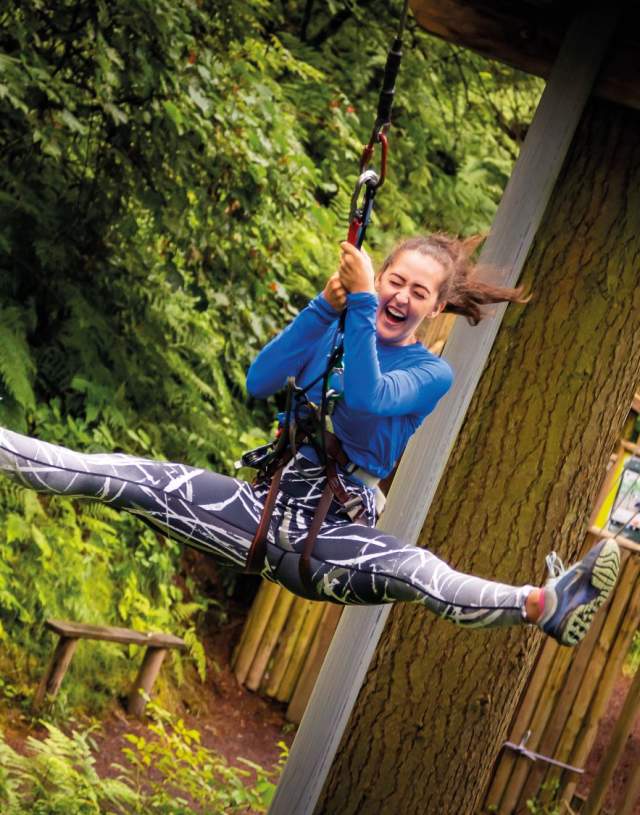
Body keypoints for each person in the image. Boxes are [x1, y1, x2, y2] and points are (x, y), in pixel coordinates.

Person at [0, 235, 619, 647]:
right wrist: (324, 308)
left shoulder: (430, 371)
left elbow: (366, 400)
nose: (401, 298)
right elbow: (259, 380)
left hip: (329, 537)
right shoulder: (340, 323)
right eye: (395, 281)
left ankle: (542, 603)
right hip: (259, 510)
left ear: (435, 308)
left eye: (417, 293)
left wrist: (363, 302)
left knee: (415, 569)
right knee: (116, 475)